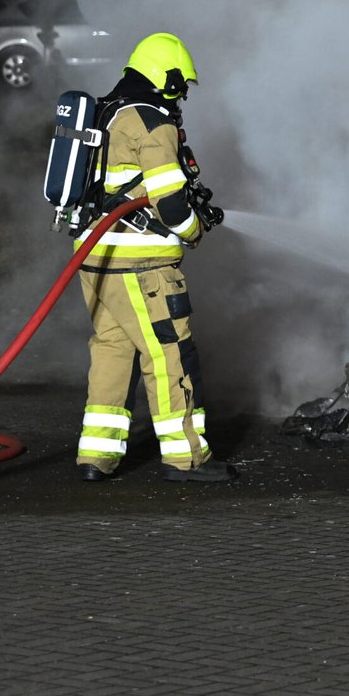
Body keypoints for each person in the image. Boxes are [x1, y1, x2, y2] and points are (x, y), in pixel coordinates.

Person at [74, 33, 232, 483]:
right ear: (167, 77)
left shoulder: (106, 113)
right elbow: (172, 204)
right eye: (180, 85)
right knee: (171, 357)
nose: (181, 95)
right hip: (141, 267)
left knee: (111, 351)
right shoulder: (151, 121)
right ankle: (187, 459)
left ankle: (95, 456)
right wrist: (194, 230)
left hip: (95, 260)